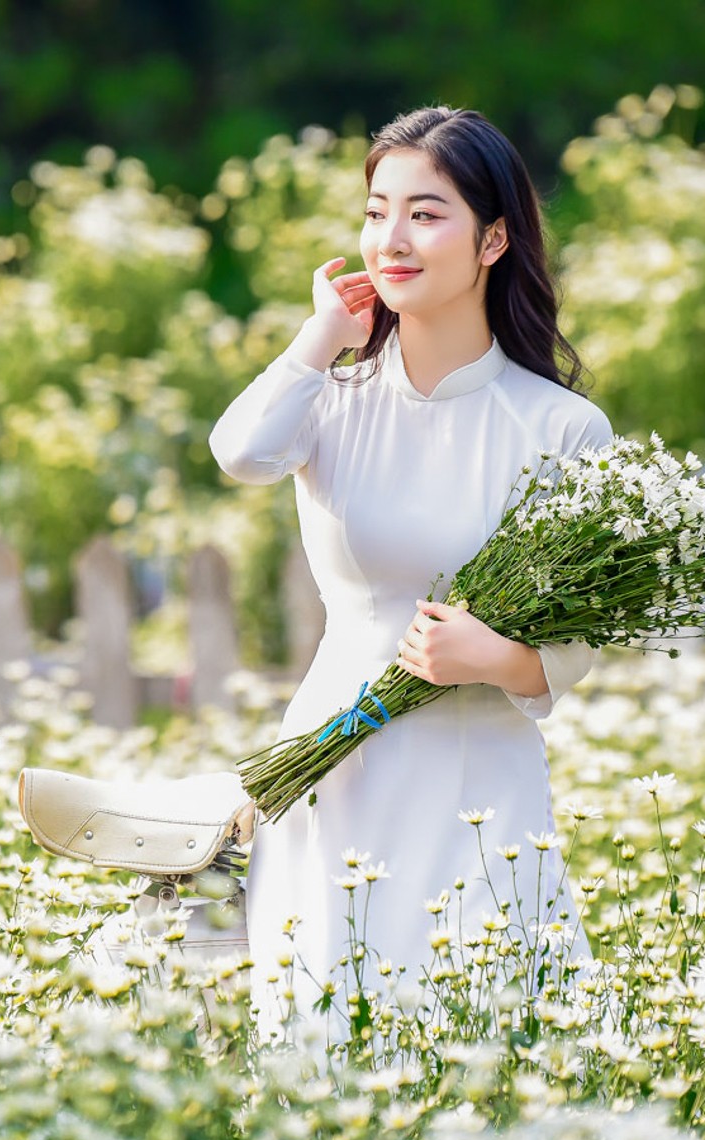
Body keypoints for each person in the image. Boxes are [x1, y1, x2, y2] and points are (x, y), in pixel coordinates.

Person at [209, 106, 613, 1052]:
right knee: (322, 1046)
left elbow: (579, 645)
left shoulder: (560, 428)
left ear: (494, 238)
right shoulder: (332, 401)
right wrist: (319, 337)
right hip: (329, 764)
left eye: (426, 214)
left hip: (479, 778)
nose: (392, 238)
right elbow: (239, 454)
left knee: (490, 1040)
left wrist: (498, 656)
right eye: (376, 209)